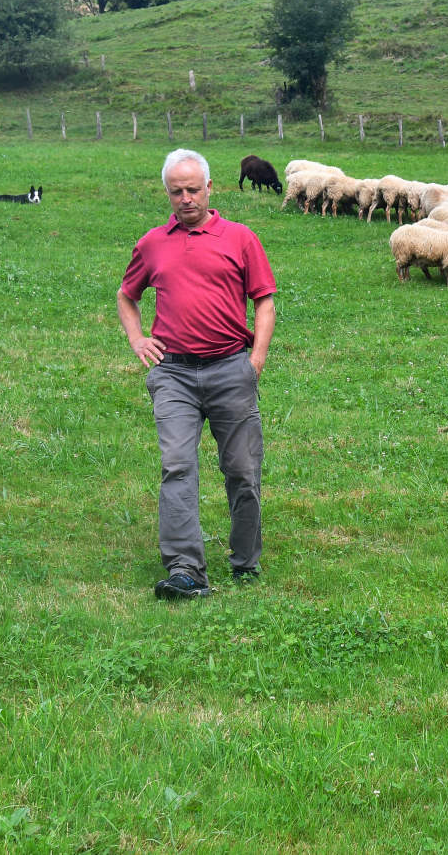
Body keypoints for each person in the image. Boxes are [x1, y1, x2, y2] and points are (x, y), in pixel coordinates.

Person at [117, 149, 277, 600]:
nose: (185, 198)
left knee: (243, 471)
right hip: (174, 375)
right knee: (178, 467)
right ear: (167, 193)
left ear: (211, 188)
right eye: (176, 192)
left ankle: (245, 559)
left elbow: (264, 301)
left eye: (192, 189)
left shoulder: (241, 238)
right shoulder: (151, 243)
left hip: (231, 368)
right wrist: (137, 340)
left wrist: (255, 361)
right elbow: (126, 296)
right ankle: (186, 569)